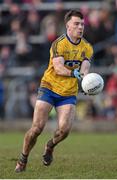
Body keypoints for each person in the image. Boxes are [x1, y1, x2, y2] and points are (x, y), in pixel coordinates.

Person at [15, 9, 93, 172]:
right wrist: (73, 73)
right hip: (49, 88)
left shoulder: (87, 46)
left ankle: (50, 146)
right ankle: (23, 158)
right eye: (76, 24)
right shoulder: (59, 43)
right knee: (37, 128)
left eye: (82, 24)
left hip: (68, 93)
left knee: (64, 131)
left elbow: (85, 65)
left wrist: (86, 80)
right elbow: (58, 68)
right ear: (68, 26)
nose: (80, 27)